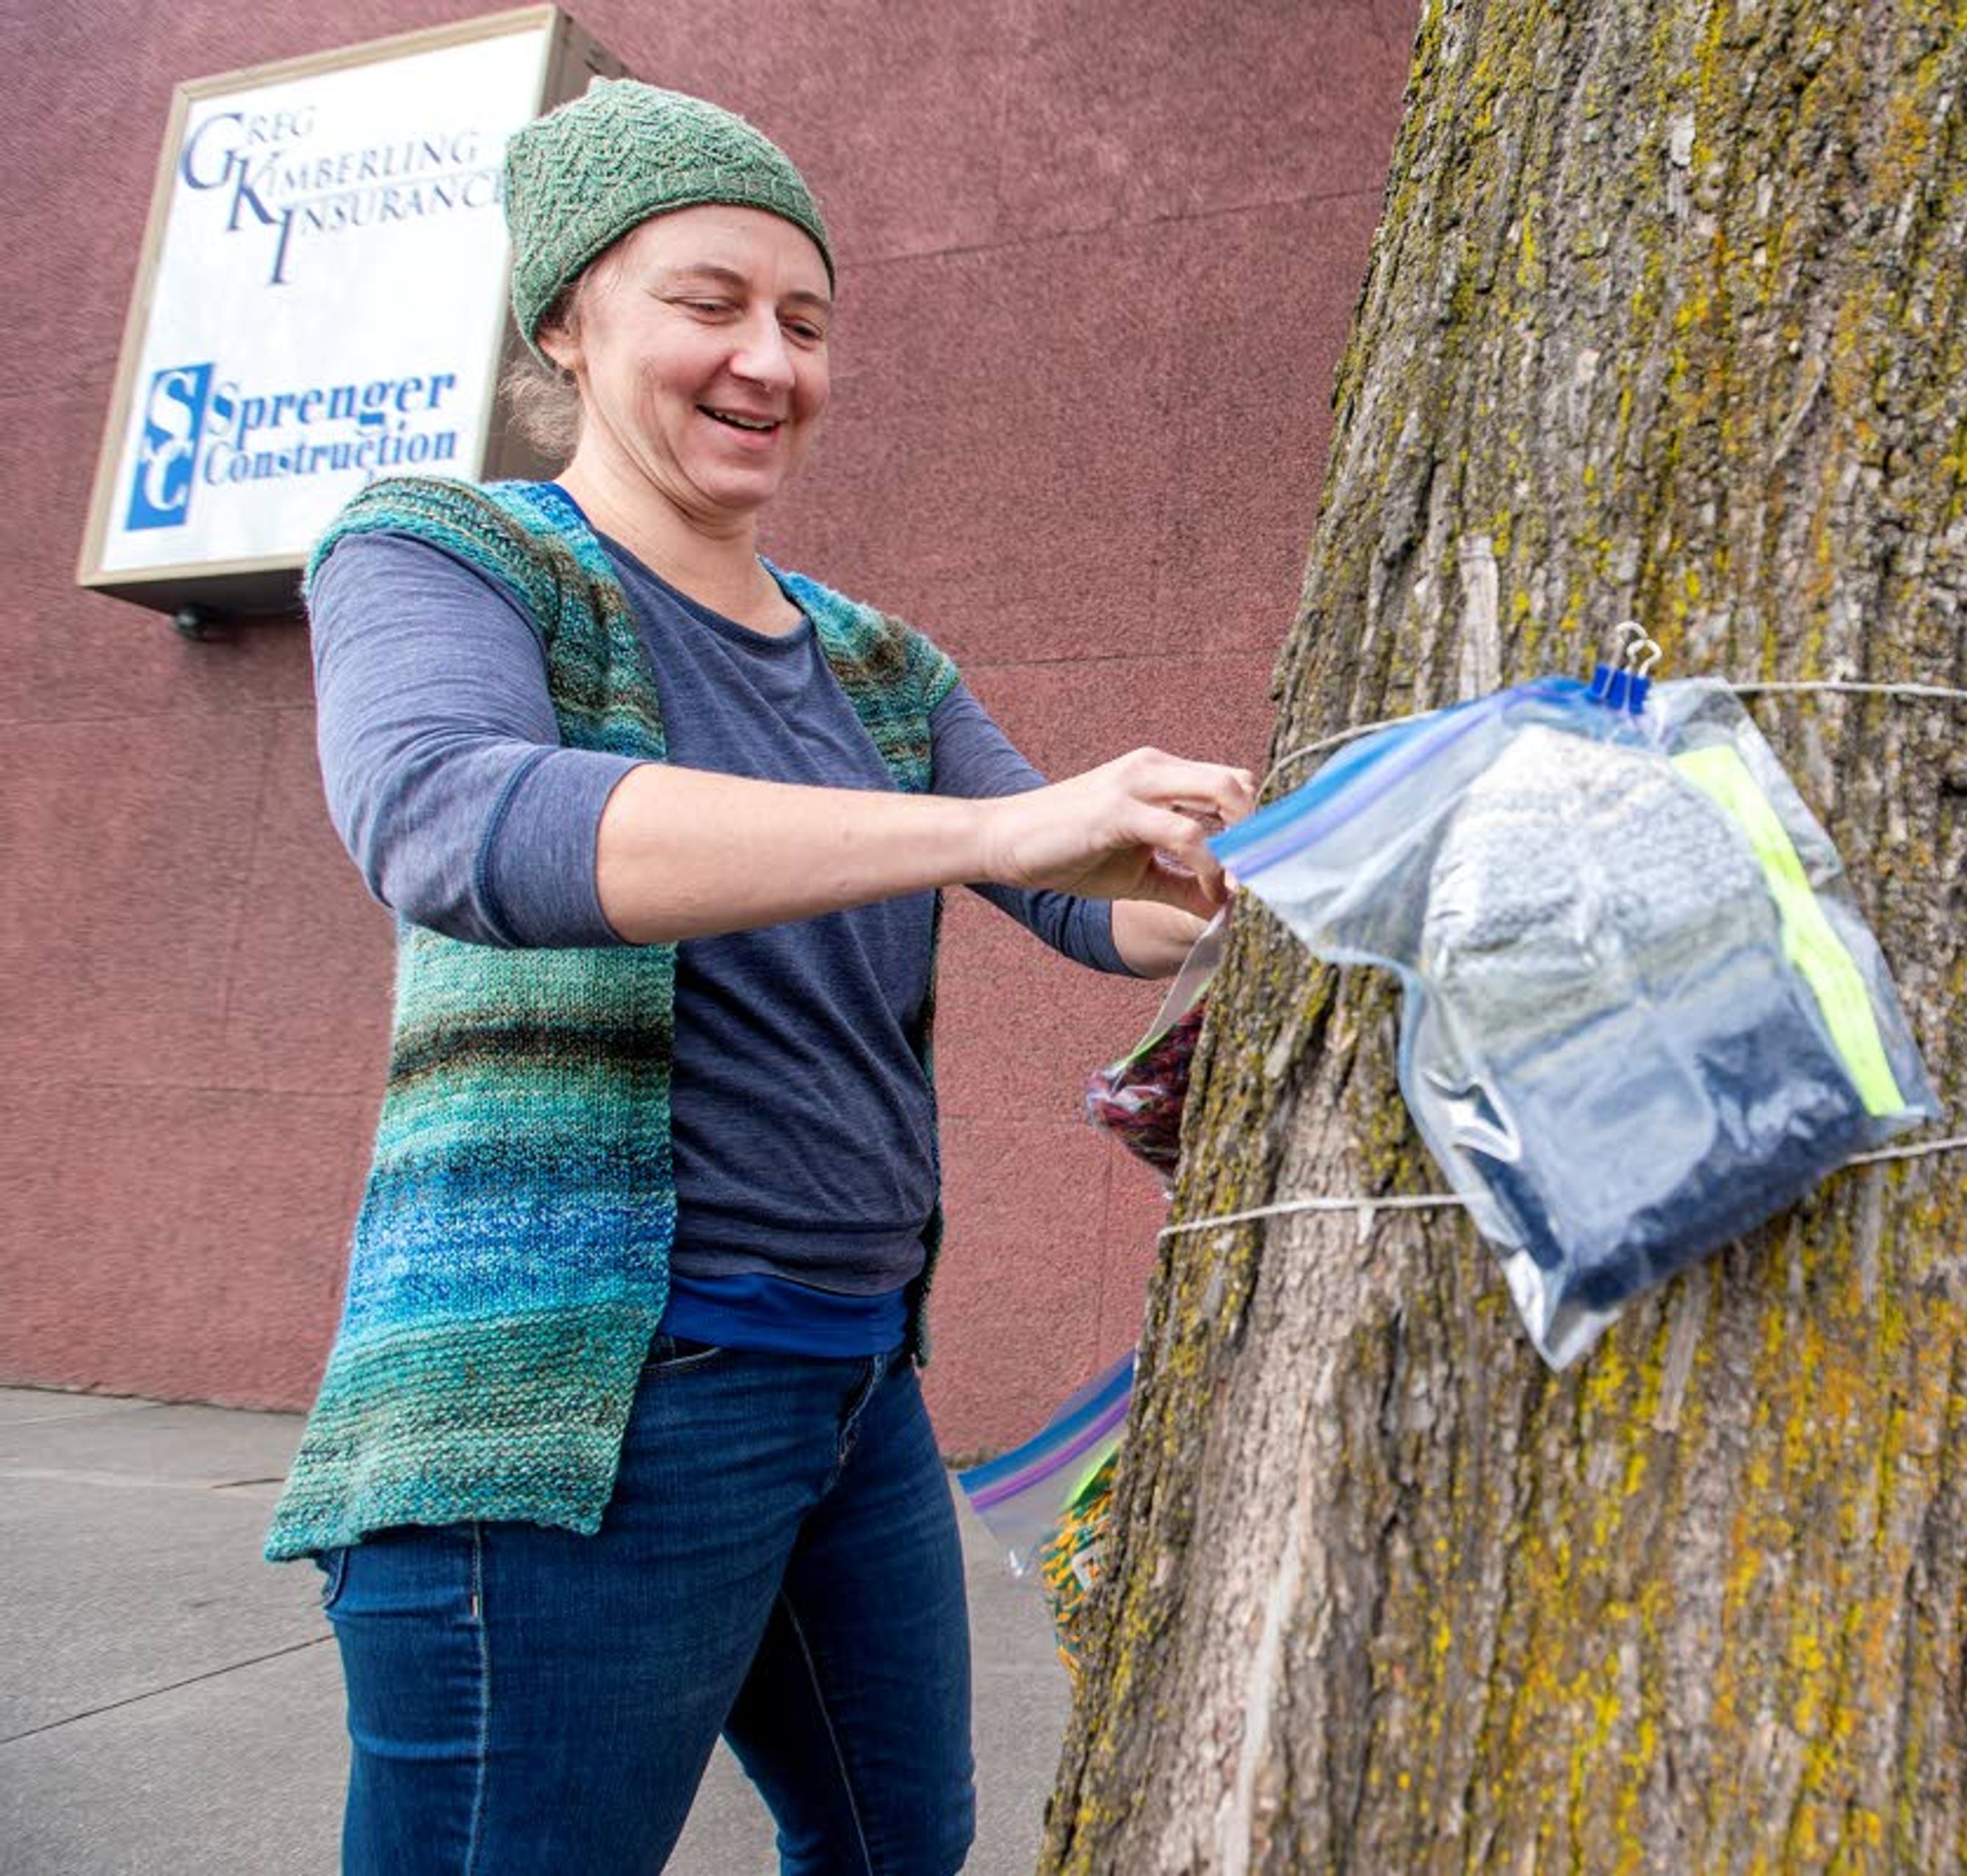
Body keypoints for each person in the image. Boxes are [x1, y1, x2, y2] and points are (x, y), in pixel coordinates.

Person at [262, 79, 1252, 1874]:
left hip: (856, 1384)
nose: (767, 361)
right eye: (707, 303)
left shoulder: (874, 659)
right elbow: (457, 825)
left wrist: (1251, 880)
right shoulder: (448, 550)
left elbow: (1089, 896)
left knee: (897, 1848)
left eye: (805, 321)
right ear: (565, 318)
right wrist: (990, 836)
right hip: (572, 1405)